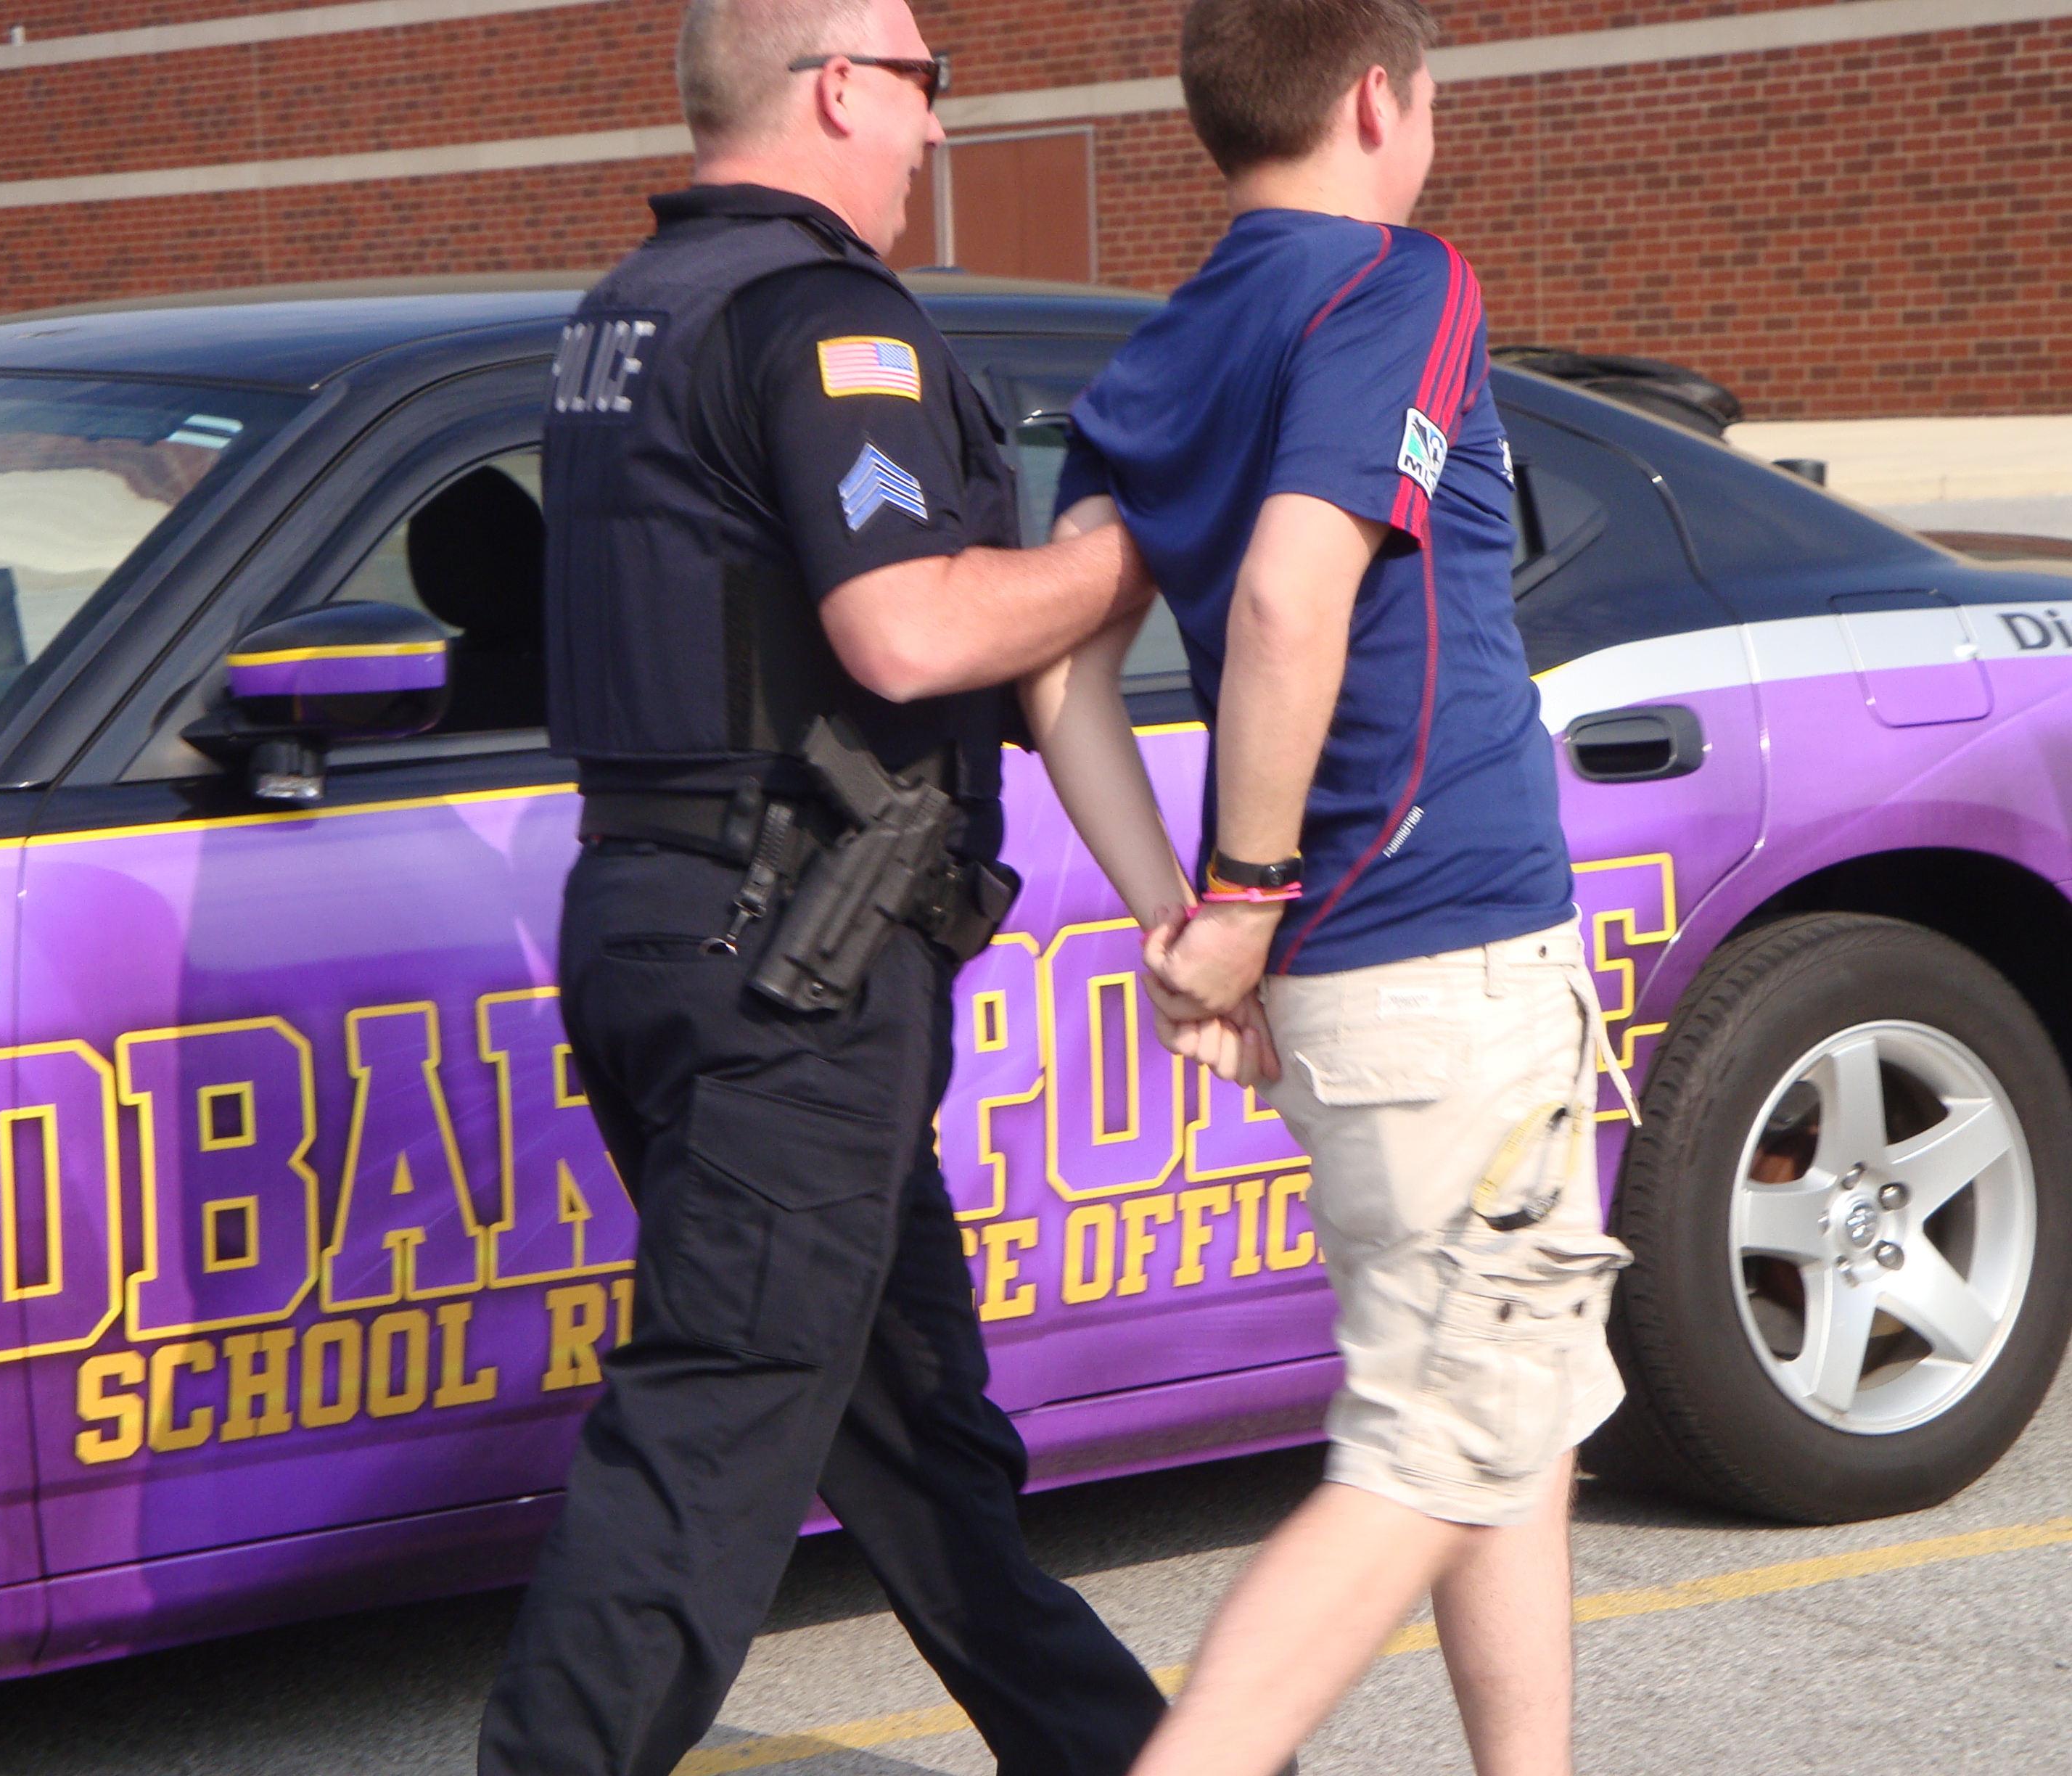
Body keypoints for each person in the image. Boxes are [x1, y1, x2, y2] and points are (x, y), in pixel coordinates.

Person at [475, 1, 1236, 1771]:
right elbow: (908, 631)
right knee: (714, 1438)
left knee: (913, 1439)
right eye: (924, 86)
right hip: (790, 972)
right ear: (836, 86)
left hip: (680, 923)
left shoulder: (627, 314)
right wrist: (1124, 546)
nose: (939, 131)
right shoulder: (822, 320)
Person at [1018, 2, 1635, 1772]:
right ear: (1381, 96)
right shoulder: (1399, 283)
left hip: (1359, 981)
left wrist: (1191, 933)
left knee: (1496, 1404)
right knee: (1430, 1440)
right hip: (1441, 948)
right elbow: (1297, 593)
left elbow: (1061, 666)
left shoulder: (1167, 347)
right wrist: (1239, 893)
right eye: (1429, 97)